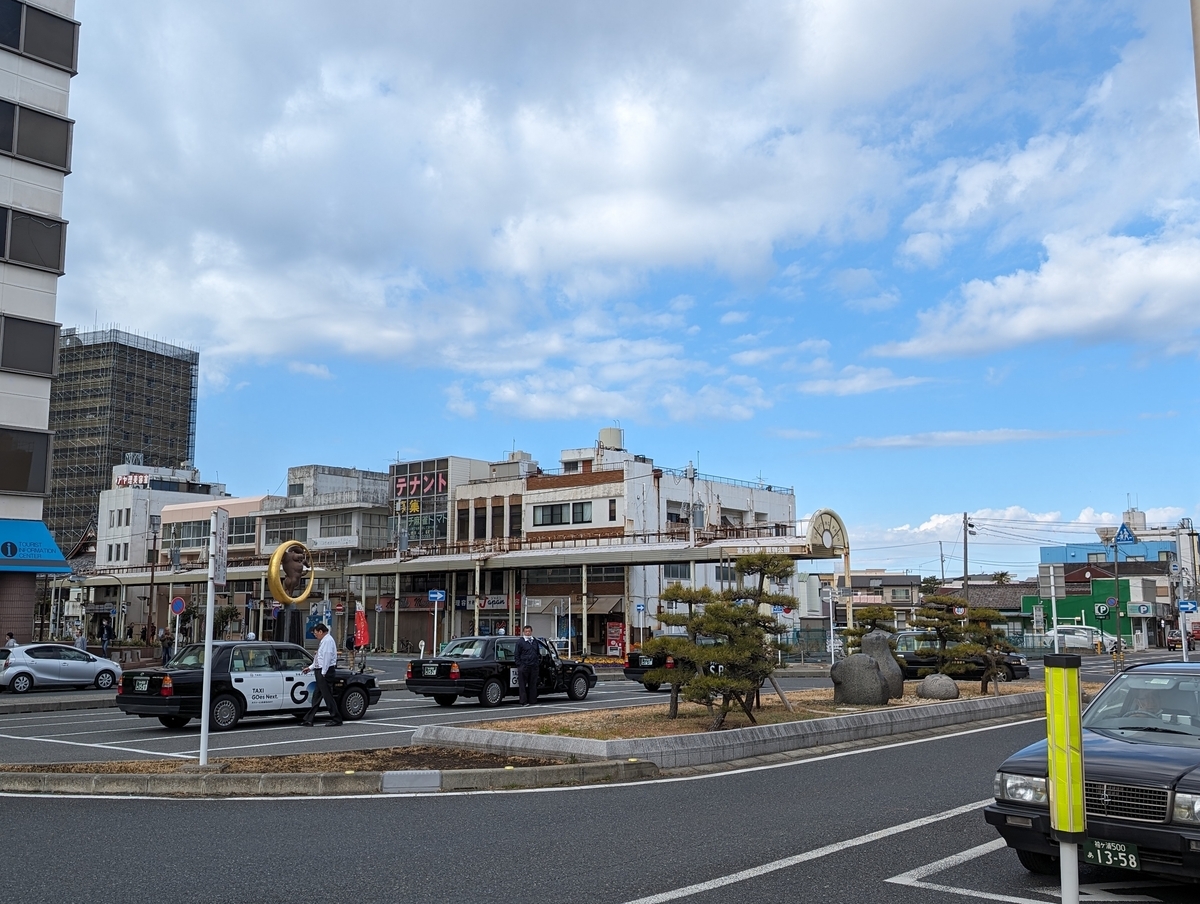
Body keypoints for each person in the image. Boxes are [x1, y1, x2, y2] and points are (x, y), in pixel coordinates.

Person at [301, 623, 342, 727]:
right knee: (317, 696)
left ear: (321, 631)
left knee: (327, 696)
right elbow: (319, 658)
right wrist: (310, 668)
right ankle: (309, 719)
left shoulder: (327, 641)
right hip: (321, 670)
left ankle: (336, 718)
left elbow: (327, 658)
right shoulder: (324, 641)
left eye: (316, 634)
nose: (315, 636)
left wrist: (323, 672)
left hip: (325, 671)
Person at [515, 624, 541, 706]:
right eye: (526, 631)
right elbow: (516, 654)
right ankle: (523, 701)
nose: (528, 633)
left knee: (533, 684)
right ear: (523, 632)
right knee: (522, 685)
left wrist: (537, 663)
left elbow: (538, 653)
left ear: (531, 631)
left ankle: (532, 700)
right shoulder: (520, 642)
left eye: (529, 631)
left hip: (533, 666)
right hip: (524, 666)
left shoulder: (535, 641)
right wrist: (520, 665)